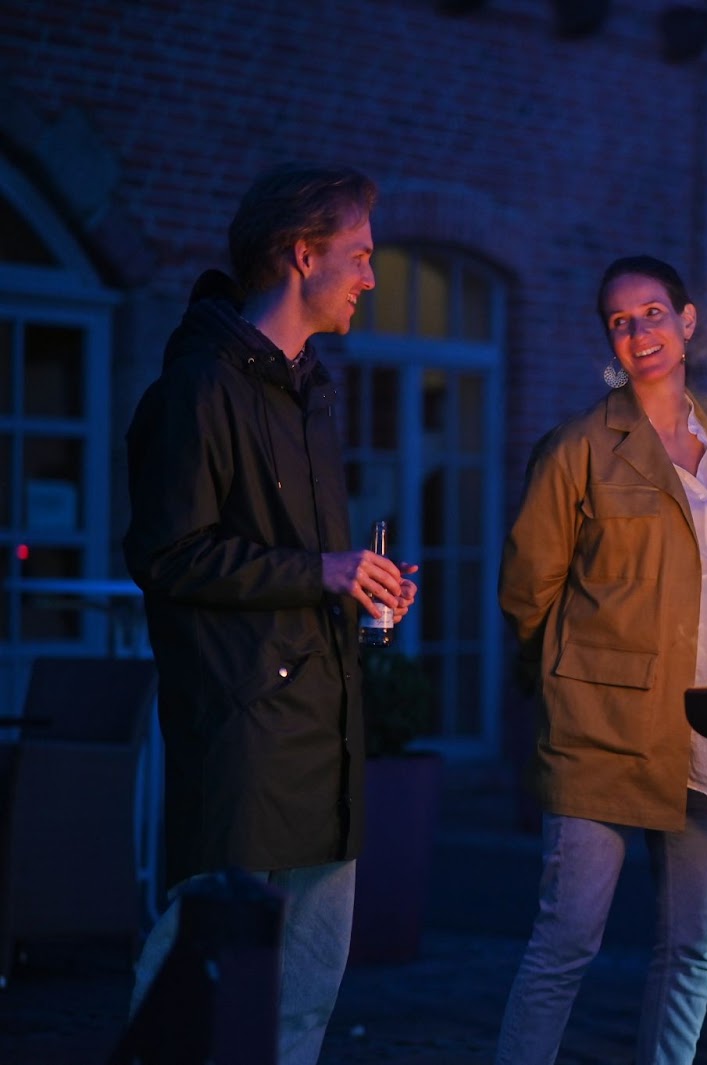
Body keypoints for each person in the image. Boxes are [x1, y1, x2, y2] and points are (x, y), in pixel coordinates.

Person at [123, 163, 417, 1064]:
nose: (371, 276)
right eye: (359, 255)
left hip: (324, 731)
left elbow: (306, 565)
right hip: (243, 732)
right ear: (301, 255)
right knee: (199, 975)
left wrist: (365, 586)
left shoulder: (310, 390)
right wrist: (323, 568)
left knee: (308, 990)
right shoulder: (200, 386)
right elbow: (168, 556)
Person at [496, 255, 707, 1065]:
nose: (639, 332)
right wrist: (588, 675)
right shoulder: (579, 449)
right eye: (621, 322)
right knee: (567, 941)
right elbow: (527, 593)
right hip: (606, 725)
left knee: (693, 946)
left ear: (687, 322)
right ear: (611, 342)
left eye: (653, 313)